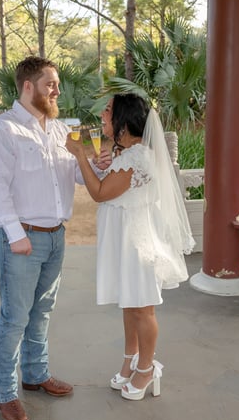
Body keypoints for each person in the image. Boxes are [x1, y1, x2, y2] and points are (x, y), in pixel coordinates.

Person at [0, 56, 108, 420]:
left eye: (57, 84)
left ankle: (36, 374)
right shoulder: (0, 131)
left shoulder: (61, 130)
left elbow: (75, 177)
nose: (56, 91)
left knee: (43, 311)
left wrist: (95, 165)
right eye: (50, 84)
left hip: (55, 237)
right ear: (28, 86)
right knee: (15, 317)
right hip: (23, 240)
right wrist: (16, 236)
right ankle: (5, 393)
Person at [65, 93, 195, 401]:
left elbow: (99, 193)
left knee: (142, 308)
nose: (102, 115)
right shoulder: (125, 153)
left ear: (123, 119)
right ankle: (130, 360)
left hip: (136, 243)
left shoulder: (137, 157)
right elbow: (112, 187)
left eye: (108, 111)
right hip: (123, 241)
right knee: (129, 303)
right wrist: (101, 162)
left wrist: (80, 155)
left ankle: (147, 368)